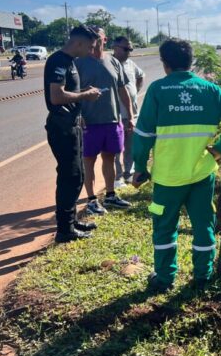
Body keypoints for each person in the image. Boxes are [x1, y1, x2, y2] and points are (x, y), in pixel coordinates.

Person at [132, 39, 221, 293]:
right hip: (202, 174)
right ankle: (202, 277)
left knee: (164, 229)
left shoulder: (158, 90)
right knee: (204, 226)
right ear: (190, 61)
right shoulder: (210, 90)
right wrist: (220, 148)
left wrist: (140, 167)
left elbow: (143, 135)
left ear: (165, 63)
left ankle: (164, 279)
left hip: (167, 178)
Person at [44, 25, 102, 243]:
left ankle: (70, 222)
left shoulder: (69, 62)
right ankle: (64, 230)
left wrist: (80, 114)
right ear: (78, 43)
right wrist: (86, 95)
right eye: (89, 46)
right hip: (62, 128)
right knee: (70, 177)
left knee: (77, 177)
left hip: (72, 124)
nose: (90, 51)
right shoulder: (58, 61)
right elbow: (57, 97)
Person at [75, 27, 134, 215]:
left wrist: (130, 115)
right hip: (89, 122)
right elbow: (71, 91)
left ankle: (110, 195)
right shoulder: (78, 63)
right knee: (89, 160)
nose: (94, 41)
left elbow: (122, 89)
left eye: (97, 37)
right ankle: (91, 200)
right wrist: (78, 115)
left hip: (112, 120)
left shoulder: (113, 61)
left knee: (110, 157)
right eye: (91, 37)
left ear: (104, 39)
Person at [112, 36, 145, 187]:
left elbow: (141, 75)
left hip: (132, 114)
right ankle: (117, 177)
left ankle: (128, 173)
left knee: (131, 145)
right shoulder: (109, 64)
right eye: (126, 49)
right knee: (116, 148)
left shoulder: (130, 63)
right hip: (116, 115)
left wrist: (135, 92)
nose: (129, 52)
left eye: (130, 49)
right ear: (115, 47)